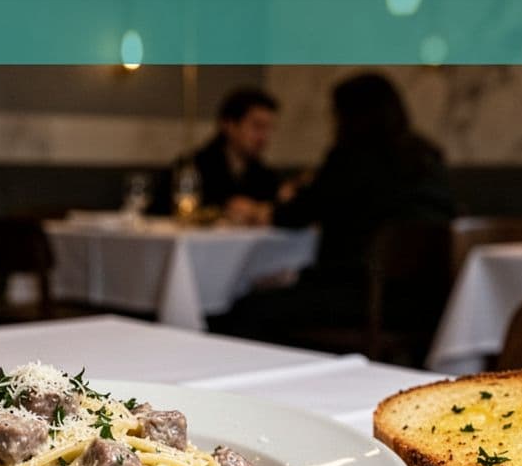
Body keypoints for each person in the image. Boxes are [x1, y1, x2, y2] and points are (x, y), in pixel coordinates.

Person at [211, 73, 456, 362]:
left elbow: (297, 213)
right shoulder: (427, 157)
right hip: (427, 302)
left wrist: (257, 212)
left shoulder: (351, 157)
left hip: (362, 296)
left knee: (242, 310)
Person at [184, 87, 281, 216]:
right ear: (229, 125)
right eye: (257, 126)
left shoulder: (266, 176)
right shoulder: (191, 167)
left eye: (269, 129)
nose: (264, 137)